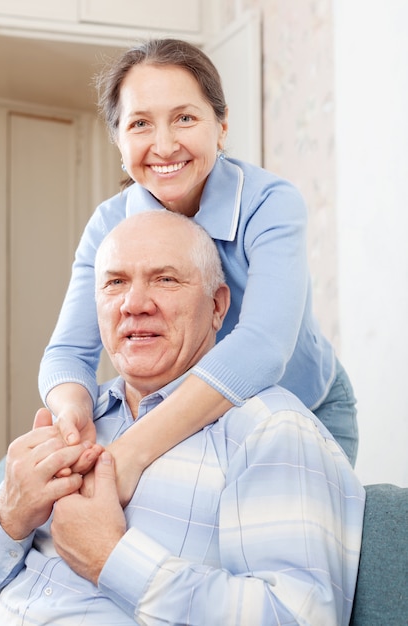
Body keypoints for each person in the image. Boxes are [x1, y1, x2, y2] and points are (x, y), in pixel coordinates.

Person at [0, 211, 365, 625]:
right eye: (115, 282)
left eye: (165, 279)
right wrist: (11, 518)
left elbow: (297, 617)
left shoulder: (270, 429)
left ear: (218, 306)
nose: (134, 304)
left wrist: (111, 559)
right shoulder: (74, 418)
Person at [39, 38, 358, 500]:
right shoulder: (109, 223)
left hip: (301, 410)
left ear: (221, 127)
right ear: (119, 139)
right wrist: (72, 414)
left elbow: (263, 347)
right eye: (141, 124)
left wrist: (132, 450)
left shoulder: (270, 203)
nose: (165, 146)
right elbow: (68, 352)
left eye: (185, 118)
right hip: (180, 419)